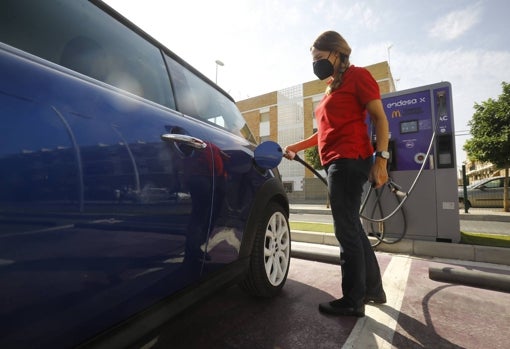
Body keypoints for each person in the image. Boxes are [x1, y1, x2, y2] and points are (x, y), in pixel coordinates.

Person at [284, 31, 389, 317]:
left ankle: (352, 300)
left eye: (319, 58)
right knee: (352, 226)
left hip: (349, 159)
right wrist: (295, 146)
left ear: (337, 53)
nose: (316, 64)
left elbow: (380, 118)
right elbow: (322, 134)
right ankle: (373, 290)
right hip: (335, 161)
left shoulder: (358, 76)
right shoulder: (331, 88)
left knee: (345, 229)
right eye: (313, 59)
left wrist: (381, 159)